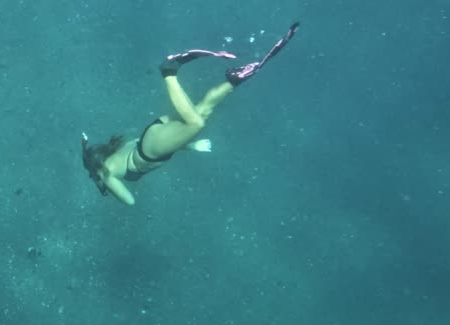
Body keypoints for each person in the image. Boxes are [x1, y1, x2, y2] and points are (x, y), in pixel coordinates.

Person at [81, 23, 299, 205]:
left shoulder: (106, 173)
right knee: (203, 110)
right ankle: (236, 78)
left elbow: (130, 201)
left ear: (95, 170)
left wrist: (104, 182)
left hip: (150, 150)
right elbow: (164, 141)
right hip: (154, 139)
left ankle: (169, 71)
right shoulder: (113, 153)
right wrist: (191, 146)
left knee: (196, 124)